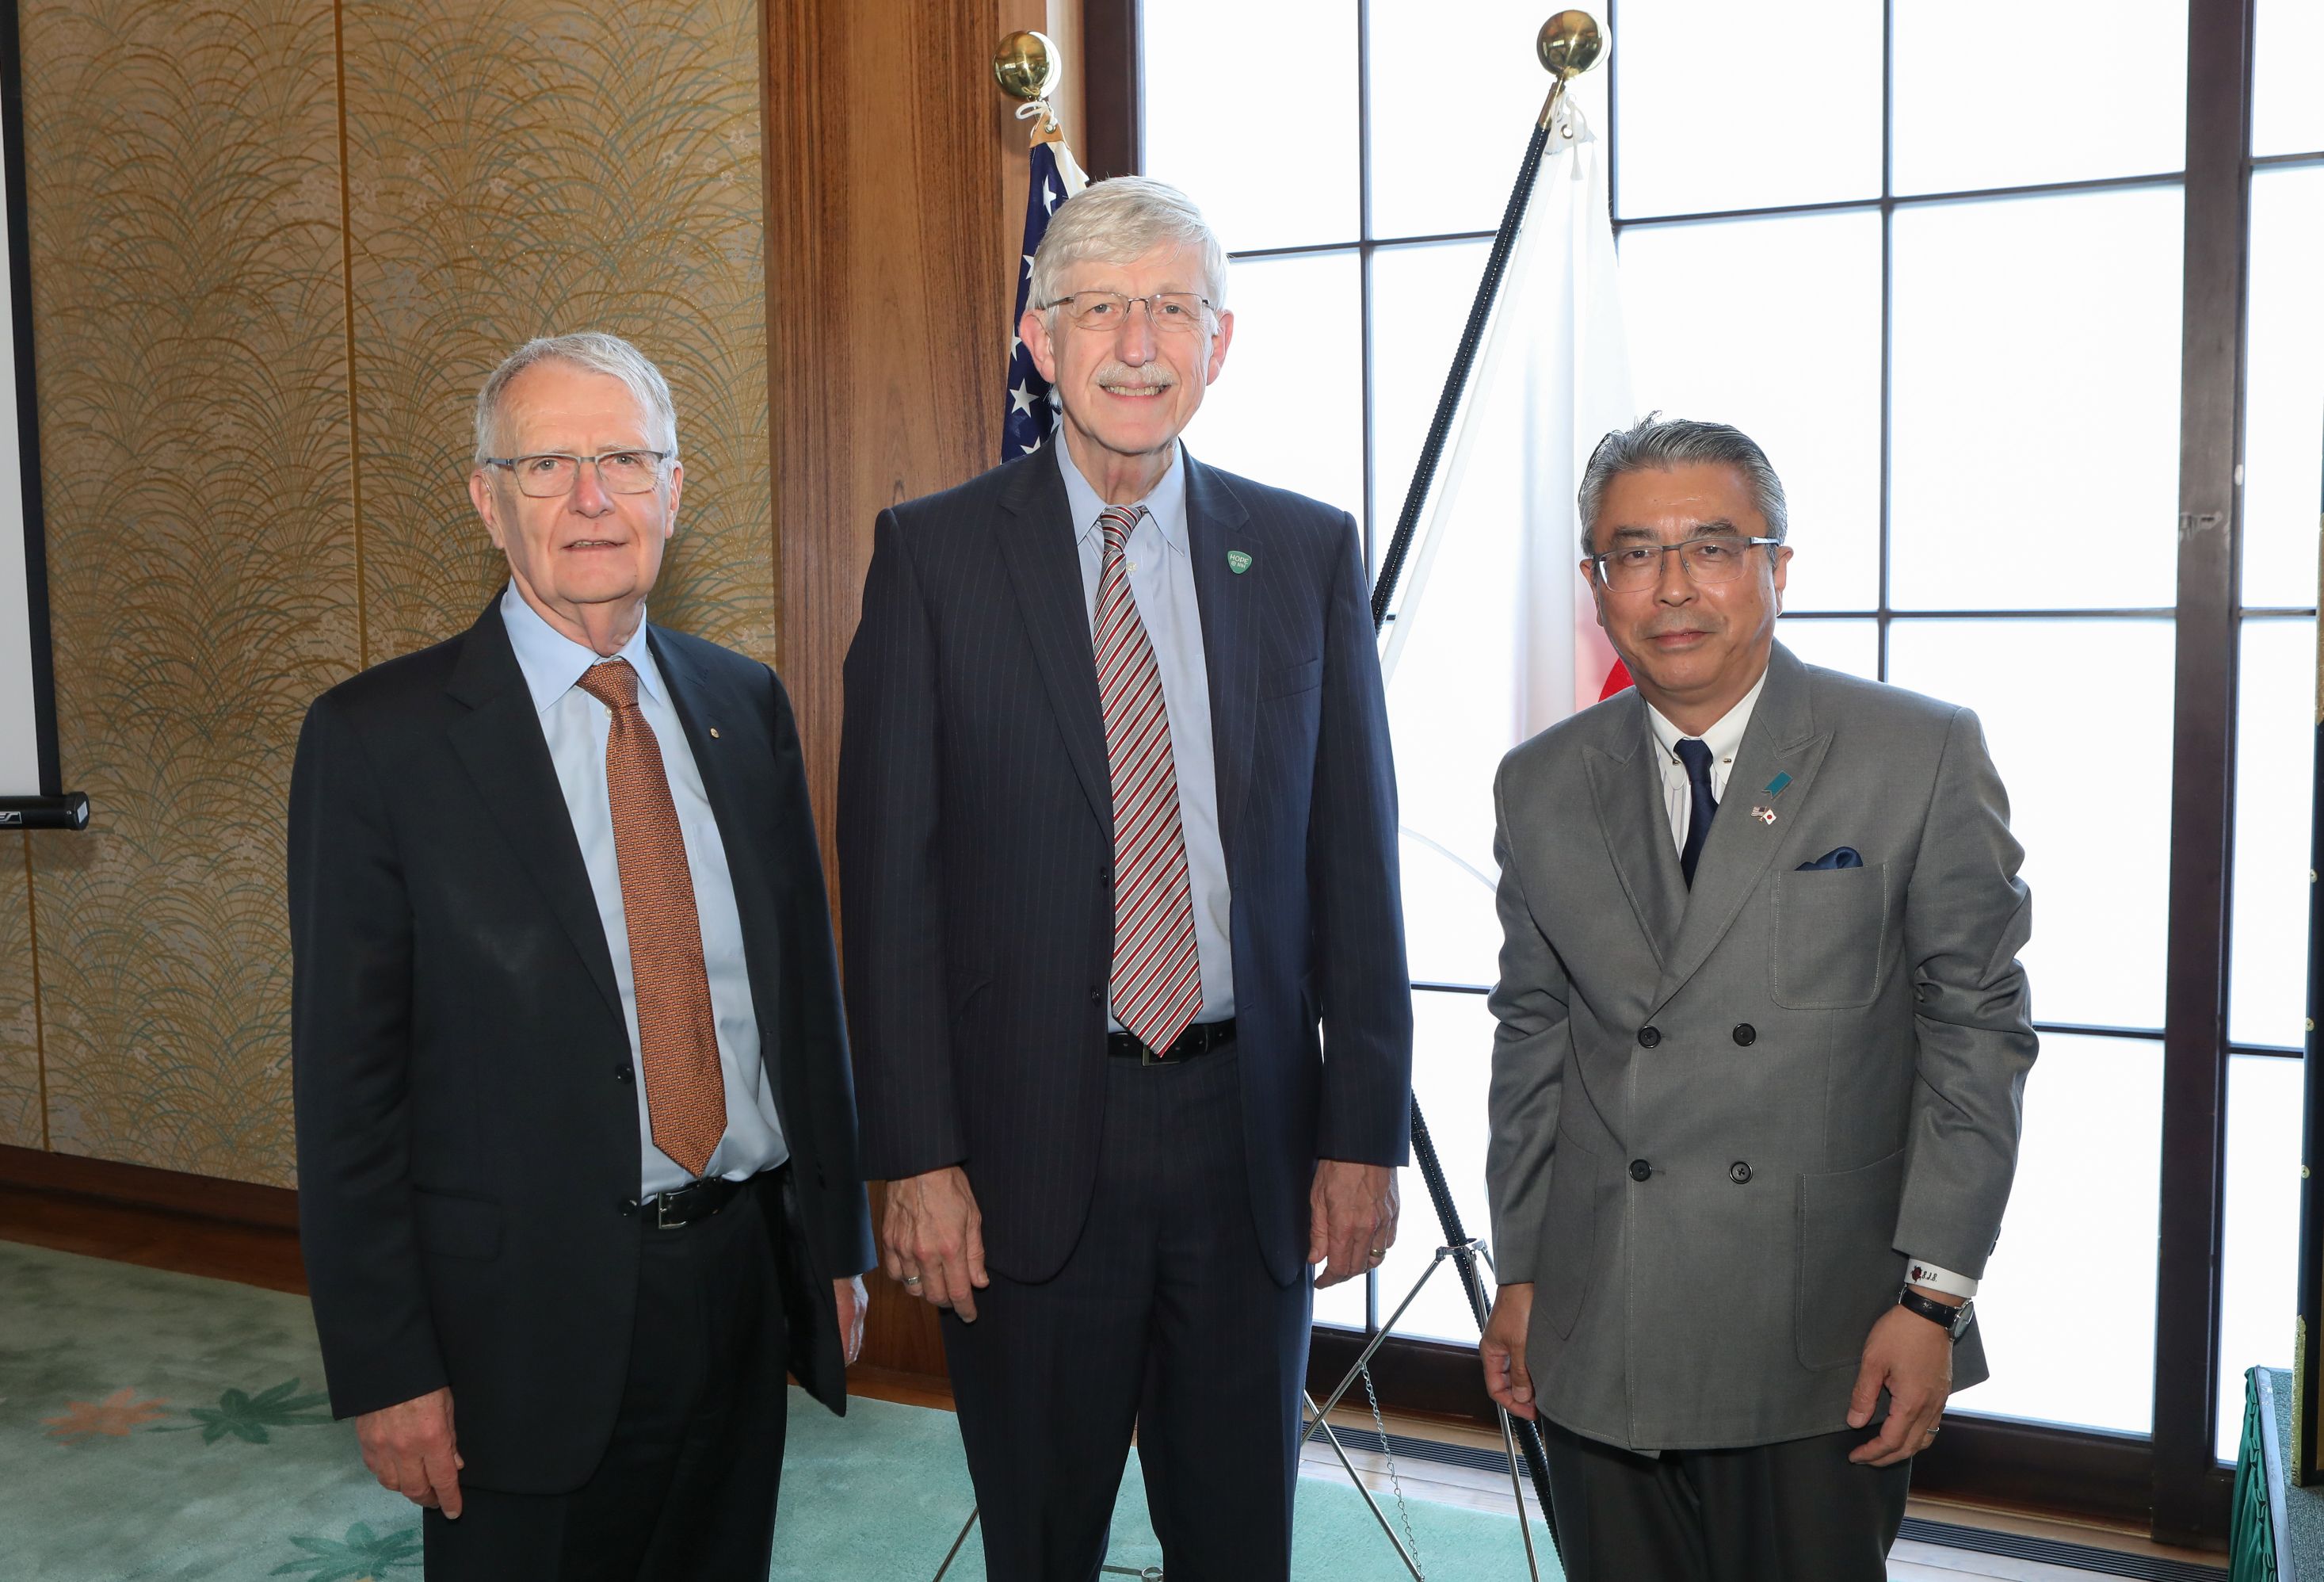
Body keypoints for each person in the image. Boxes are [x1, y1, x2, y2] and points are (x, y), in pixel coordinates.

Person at [838, 176, 1414, 1581]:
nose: (1138, 343)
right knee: (1041, 1541)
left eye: (1173, 308)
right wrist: (912, 1155)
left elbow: (1355, 861)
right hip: (1026, 1142)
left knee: (1238, 1541)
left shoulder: (1303, 551)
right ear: (1039, 340)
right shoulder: (931, 557)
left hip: (1248, 1137)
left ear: (1220, 344)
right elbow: (887, 884)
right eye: (1100, 309)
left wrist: (1362, 1130)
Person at [288, 332, 873, 1582]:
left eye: (622, 457)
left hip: (739, 1280)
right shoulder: (377, 743)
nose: (592, 497)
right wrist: (390, 1367)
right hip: (519, 1324)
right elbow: (347, 1095)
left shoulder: (742, 701)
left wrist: (829, 1248)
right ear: (485, 501)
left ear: (675, 487)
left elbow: (796, 1009)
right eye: (547, 464)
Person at [1479, 415, 2036, 1580]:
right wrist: (1521, 1273)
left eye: (1712, 547)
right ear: (1595, 584)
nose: (1671, 587)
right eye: (1631, 553)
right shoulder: (1540, 782)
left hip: (1817, 1334)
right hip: (1599, 1316)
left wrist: (1931, 1300)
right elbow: (1531, 1037)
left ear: (1776, 568)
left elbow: (1975, 1032)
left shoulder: (1911, 753)